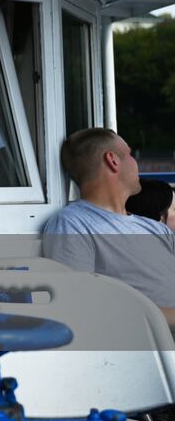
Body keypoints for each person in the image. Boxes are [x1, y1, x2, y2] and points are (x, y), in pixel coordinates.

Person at [41, 127, 175, 325]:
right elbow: (79, 304)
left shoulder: (155, 228)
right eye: (129, 154)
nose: (135, 161)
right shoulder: (73, 224)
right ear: (112, 160)